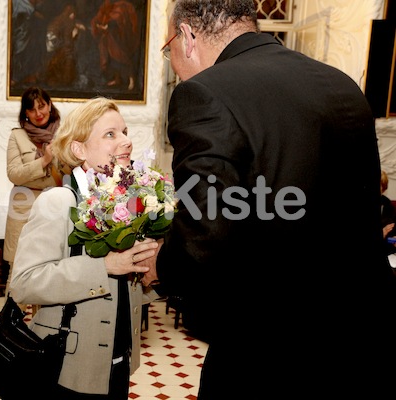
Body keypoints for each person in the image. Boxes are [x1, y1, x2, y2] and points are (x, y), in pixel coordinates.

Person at [140, 1, 396, 399]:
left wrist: (160, 264)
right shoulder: (339, 83)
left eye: (168, 47)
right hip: (365, 336)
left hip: (271, 347)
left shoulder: (204, 94)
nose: (173, 62)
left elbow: (203, 236)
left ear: (188, 37)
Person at [9, 97, 160, 399]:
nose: (126, 142)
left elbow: (127, 289)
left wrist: (151, 274)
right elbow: (23, 284)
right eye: (110, 134)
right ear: (79, 149)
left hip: (117, 364)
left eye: (125, 132)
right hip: (66, 368)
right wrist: (104, 267)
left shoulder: (128, 204)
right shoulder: (59, 202)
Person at [3, 86, 63, 310]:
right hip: (23, 206)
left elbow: (69, 173)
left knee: (47, 267)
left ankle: (41, 325)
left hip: (53, 207)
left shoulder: (63, 135)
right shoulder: (16, 136)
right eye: (32, 109)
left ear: (49, 105)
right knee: (17, 267)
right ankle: (11, 325)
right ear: (25, 113)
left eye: (42, 106)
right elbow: (13, 173)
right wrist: (43, 162)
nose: (38, 113)